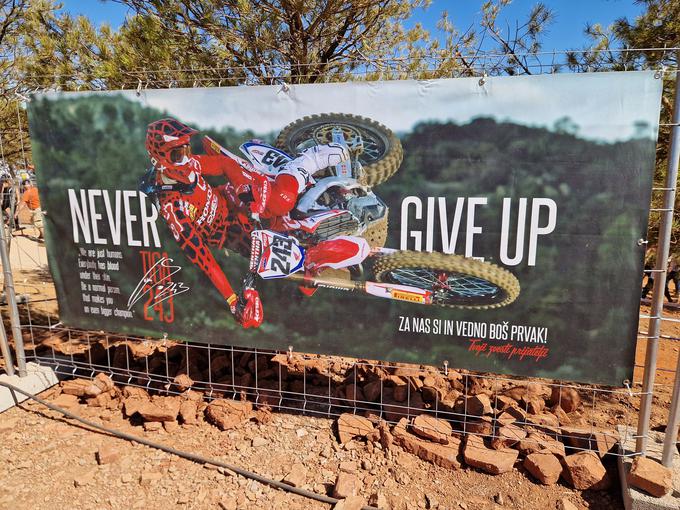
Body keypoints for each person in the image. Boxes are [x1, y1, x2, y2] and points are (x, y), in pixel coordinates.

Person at [144, 118, 357, 329]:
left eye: (187, 150)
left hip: (233, 200)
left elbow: (223, 163)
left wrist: (241, 189)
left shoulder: (188, 165)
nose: (187, 160)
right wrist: (233, 302)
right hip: (231, 233)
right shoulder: (172, 208)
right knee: (292, 268)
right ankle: (322, 249)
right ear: (159, 160)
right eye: (178, 154)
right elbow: (204, 260)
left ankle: (309, 161)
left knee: (279, 202)